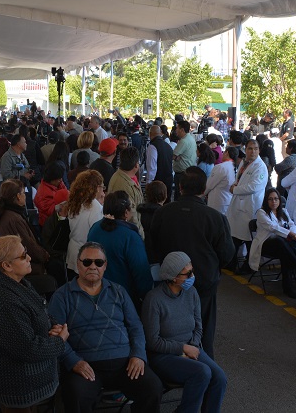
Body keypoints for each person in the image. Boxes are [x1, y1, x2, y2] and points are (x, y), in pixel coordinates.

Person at [49, 243, 163, 412]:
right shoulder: (62, 296)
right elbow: (56, 337)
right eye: (87, 262)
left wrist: (138, 354)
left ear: (105, 266)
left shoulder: (118, 291)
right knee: (76, 394)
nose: (93, 266)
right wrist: (74, 361)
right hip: (86, 365)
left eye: (99, 262)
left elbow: (135, 326)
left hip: (126, 364)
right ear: (78, 264)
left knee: (152, 388)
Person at [151, 167, 233, 357]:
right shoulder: (215, 218)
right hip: (204, 282)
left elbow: (152, 246)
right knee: (203, 328)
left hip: (170, 282)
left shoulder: (163, 213)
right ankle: (204, 361)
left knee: (169, 328)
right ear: (204, 190)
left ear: (180, 187)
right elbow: (227, 254)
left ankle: (174, 361)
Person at [0, 235, 68, 411]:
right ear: (6, 266)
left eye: (27, 252)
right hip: (20, 389)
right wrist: (59, 340)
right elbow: (28, 348)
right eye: (23, 256)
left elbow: (40, 310)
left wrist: (53, 326)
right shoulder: (6, 302)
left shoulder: (19, 283)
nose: (29, 258)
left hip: (32, 381)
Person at [141, 252, 227, 412]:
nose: (192, 276)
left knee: (220, 378)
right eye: (188, 273)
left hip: (191, 349)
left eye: (192, 271)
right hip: (163, 355)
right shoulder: (154, 299)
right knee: (202, 373)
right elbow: (152, 341)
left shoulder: (191, 293)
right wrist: (182, 348)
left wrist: (192, 346)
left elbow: (198, 326)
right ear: (174, 277)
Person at [87, 191, 152, 305]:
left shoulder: (95, 228)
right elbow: (141, 273)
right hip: (123, 298)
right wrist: (145, 295)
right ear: (126, 212)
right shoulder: (130, 236)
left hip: (97, 293)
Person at [249, 187, 296, 297]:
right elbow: (273, 227)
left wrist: (293, 233)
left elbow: (292, 224)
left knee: (285, 253)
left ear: (279, 200)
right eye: (270, 199)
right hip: (266, 244)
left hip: (283, 246)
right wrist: (290, 234)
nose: (273, 201)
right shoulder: (261, 212)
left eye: (276, 199)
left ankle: (288, 288)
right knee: (280, 242)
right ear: (266, 201)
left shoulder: (283, 211)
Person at [0, 179, 49, 274]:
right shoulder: (13, 218)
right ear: (18, 196)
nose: (25, 196)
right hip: (21, 268)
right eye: (23, 193)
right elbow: (28, 245)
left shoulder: (3, 213)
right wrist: (45, 256)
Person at [227, 139, 268, 272]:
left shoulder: (260, 167)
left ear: (259, 150)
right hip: (239, 205)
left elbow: (255, 186)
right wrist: (235, 185)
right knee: (235, 235)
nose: (253, 152)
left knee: (249, 237)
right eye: (250, 149)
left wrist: (235, 189)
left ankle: (249, 265)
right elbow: (239, 179)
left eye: (255, 149)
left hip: (250, 206)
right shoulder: (244, 162)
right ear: (245, 150)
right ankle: (231, 262)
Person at [65, 170, 105, 273]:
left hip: (73, 250)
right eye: (102, 187)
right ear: (97, 188)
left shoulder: (76, 202)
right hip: (87, 255)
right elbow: (97, 234)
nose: (103, 191)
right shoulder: (95, 206)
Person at [107, 146, 145, 238]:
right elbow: (132, 216)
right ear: (136, 165)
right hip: (128, 234)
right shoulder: (122, 184)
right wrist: (141, 236)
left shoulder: (129, 178)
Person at [203, 147, 236, 215]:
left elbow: (209, 185)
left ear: (226, 153)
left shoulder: (221, 167)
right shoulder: (234, 167)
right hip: (228, 200)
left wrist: (202, 194)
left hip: (217, 201)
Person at [34, 163, 67, 227]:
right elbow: (52, 211)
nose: (61, 180)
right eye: (59, 179)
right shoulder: (43, 194)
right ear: (52, 179)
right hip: (49, 225)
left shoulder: (58, 183)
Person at [172, 120, 197, 201]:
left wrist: (176, 157)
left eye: (177, 128)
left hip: (181, 173)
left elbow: (173, 156)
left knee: (179, 197)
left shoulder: (184, 141)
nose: (176, 130)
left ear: (182, 130)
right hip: (187, 171)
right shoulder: (191, 138)